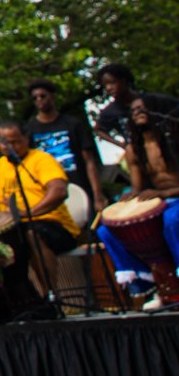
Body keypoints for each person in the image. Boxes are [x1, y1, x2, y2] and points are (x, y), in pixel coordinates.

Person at [0, 122, 79, 319]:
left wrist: (27, 214)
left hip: (54, 225)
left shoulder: (41, 159)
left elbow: (59, 191)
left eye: (15, 141)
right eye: (4, 142)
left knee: (31, 233)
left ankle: (52, 298)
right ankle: (13, 304)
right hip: (17, 229)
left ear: (26, 139)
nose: (10, 146)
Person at [96, 97, 179, 301]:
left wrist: (164, 194)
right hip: (160, 202)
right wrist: (130, 197)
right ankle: (145, 280)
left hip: (174, 199)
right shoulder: (134, 149)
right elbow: (138, 187)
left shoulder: (174, 141)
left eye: (143, 108)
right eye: (134, 111)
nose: (138, 113)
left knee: (171, 221)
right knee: (106, 230)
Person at [22, 77, 105, 207]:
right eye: (35, 98)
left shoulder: (73, 124)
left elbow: (89, 161)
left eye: (43, 96)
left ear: (52, 96)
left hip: (80, 188)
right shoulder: (29, 129)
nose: (39, 100)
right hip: (49, 193)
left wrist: (98, 196)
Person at [94, 63, 179, 145]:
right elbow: (98, 130)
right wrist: (122, 145)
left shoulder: (153, 99)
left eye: (112, 83)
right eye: (105, 85)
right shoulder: (110, 111)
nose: (108, 88)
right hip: (139, 152)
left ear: (123, 81)